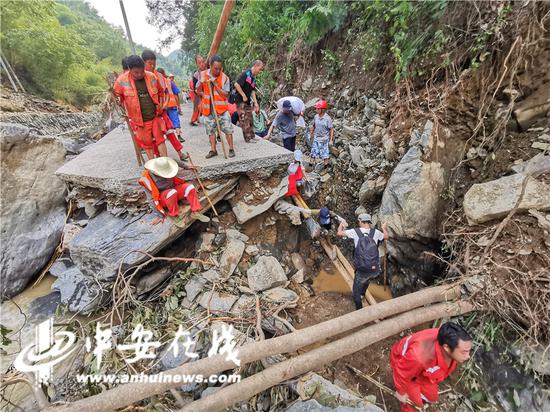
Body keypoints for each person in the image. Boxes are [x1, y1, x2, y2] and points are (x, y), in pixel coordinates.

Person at [390, 322, 473, 411]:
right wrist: (401, 392)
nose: (468, 356)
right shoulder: (419, 356)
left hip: (421, 371)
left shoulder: (448, 339)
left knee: (431, 398)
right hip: (407, 368)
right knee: (415, 405)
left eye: (469, 351)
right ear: (446, 348)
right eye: (464, 352)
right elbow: (402, 372)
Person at [113, 55, 167, 160]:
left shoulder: (151, 76)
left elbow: (160, 91)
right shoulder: (121, 80)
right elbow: (116, 95)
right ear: (129, 69)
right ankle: (153, 166)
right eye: (136, 73)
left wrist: (160, 104)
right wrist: (118, 101)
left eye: (142, 72)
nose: (140, 75)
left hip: (155, 115)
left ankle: (166, 162)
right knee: (147, 144)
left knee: (160, 140)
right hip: (139, 121)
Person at [336, 213, 388, 310]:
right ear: (369, 222)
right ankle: (362, 294)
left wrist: (342, 224)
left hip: (362, 269)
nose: (358, 223)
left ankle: (360, 311)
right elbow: (386, 236)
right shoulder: (376, 232)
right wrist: (384, 227)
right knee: (367, 279)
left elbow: (339, 233)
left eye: (359, 221)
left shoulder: (355, 231)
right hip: (374, 269)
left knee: (355, 291)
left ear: (361, 221)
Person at [138, 157, 209, 222]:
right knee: (172, 192)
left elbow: (174, 160)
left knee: (189, 187)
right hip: (164, 198)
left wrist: (186, 166)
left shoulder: (166, 163)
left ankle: (195, 211)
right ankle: (174, 214)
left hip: (173, 191)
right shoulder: (147, 178)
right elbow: (151, 199)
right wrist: (160, 215)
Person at [197, 55, 235, 158]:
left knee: (227, 129)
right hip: (208, 109)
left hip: (222, 109)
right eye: (215, 68)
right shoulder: (203, 74)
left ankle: (231, 148)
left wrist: (215, 84)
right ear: (210, 65)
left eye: (220, 68)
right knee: (210, 130)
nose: (218, 71)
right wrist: (202, 82)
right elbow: (198, 90)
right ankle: (213, 150)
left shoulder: (224, 78)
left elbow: (226, 94)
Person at [234, 60, 264, 142]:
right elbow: (236, 84)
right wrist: (243, 95)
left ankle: (252, 135)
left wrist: (256, 103)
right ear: (256, 66)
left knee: (250, 118)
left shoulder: (253, 77)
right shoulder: (246, 74)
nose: (260, 71)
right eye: (260, 69)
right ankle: (247, 138)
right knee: (244, 119)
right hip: (240, 100)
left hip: (247, 101)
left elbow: (252, 90)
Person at [309, 100, 334, 167]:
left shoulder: (327, 118)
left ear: (322, 110)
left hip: (324, 139)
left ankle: (326, 166)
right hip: (316, 137)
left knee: (325, 153)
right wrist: (311, 133)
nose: (316, 110)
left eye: (317, 108)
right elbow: (314, 125)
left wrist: (331, 140)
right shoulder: (316, 116)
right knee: (313, 152)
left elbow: (331, 129)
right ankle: (310, 165)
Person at [190, 54, 206, 126]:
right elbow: (195, 89)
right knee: (197, 106)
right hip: (198, 92)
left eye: (203, 62)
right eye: (199, 63)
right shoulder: (196, 75)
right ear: (197, 64)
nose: (202, 64)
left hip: (207, 91)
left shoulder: (209, 70)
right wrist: (201, 93)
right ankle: (193, 120)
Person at [166, 73, 183, 140]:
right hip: (172, 104)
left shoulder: (157, 80)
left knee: (167, 121)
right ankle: (178, 135)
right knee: (175, 120)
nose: (172, 78)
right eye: (171, 77)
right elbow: (176, 94)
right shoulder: (170, 82)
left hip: (164, 106)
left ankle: (169, 137)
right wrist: (179, 106)